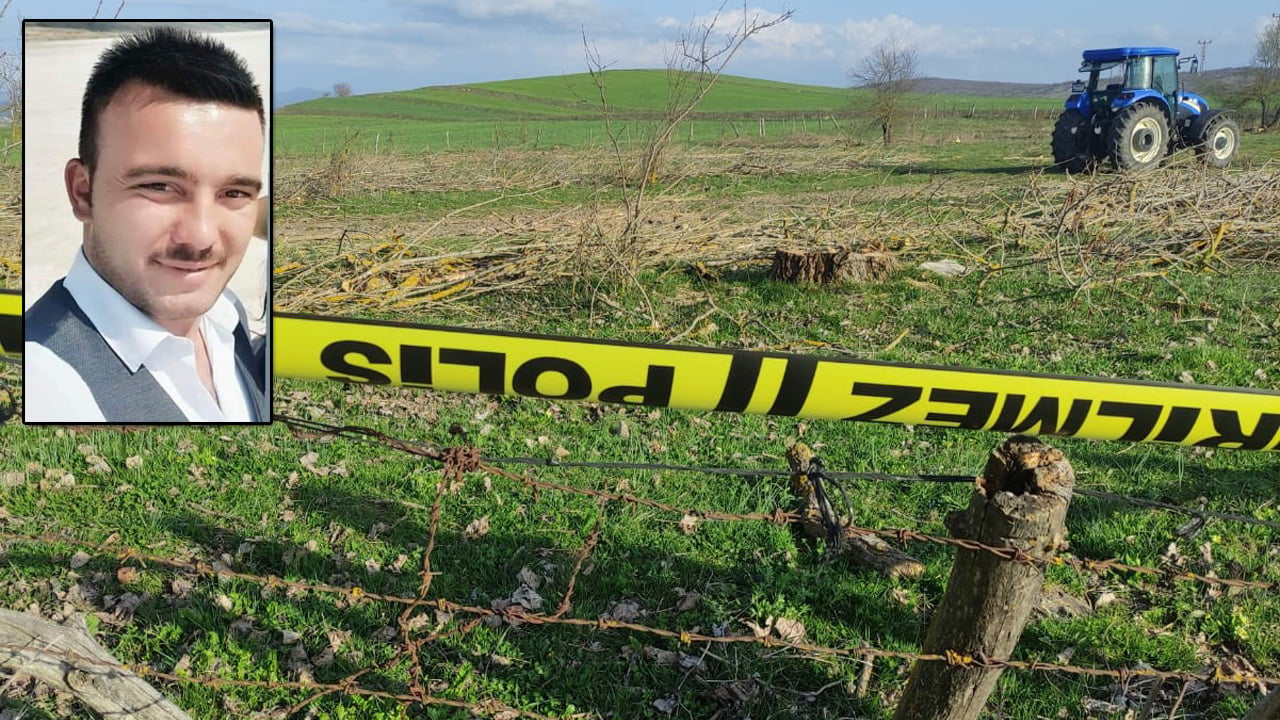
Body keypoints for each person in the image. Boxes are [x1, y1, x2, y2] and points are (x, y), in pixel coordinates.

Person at [24, 25, 268, 423]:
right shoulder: (49, 384)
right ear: (82, 192)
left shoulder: (226, 311)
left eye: (234, 193)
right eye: (160, 187)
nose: (201, 238)